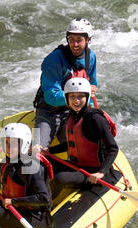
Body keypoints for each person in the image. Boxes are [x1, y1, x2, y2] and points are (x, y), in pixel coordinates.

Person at [43, 78, 118, 196]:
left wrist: (101, 173)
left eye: (80, 96)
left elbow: (113, 148)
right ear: (67, 98)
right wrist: (49, 151)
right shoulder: (72, 115)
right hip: (77, 166)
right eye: (72, 96)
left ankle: (46, 205)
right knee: (42, 162)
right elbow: (73, 143)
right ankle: (37, 196)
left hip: (93, 172)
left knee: (60, 178)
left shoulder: (96, 119)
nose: (76, 100)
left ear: (87, 97)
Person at [0, 123, 53, 228]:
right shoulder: (8, 162)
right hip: (17, 208)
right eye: (6, 142)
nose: (9, 147)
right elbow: (11, 184)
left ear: (24, 144)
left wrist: (13, 202)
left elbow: (44, 198)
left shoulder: (30, 167)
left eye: (14, 143)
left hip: (36, 218)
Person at [33, 18, 98, 152]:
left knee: (83, 147)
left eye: (79, 40)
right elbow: (51, 96)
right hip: (49, 111)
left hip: (73, 111)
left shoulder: (90, 57)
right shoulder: (53, 60)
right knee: (37, 150)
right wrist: (81, 94)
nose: (74, 44)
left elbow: (91, 84)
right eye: (71, 39)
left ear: (88, 40)